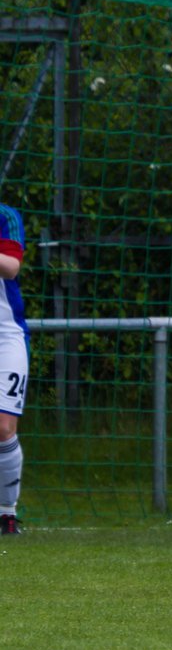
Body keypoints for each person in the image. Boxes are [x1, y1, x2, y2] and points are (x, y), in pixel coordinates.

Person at [0, 201, 28, 536]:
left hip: (6, 335)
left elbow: (11, 267)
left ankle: (6, 513)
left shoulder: (5, 216)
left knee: (4, 427)